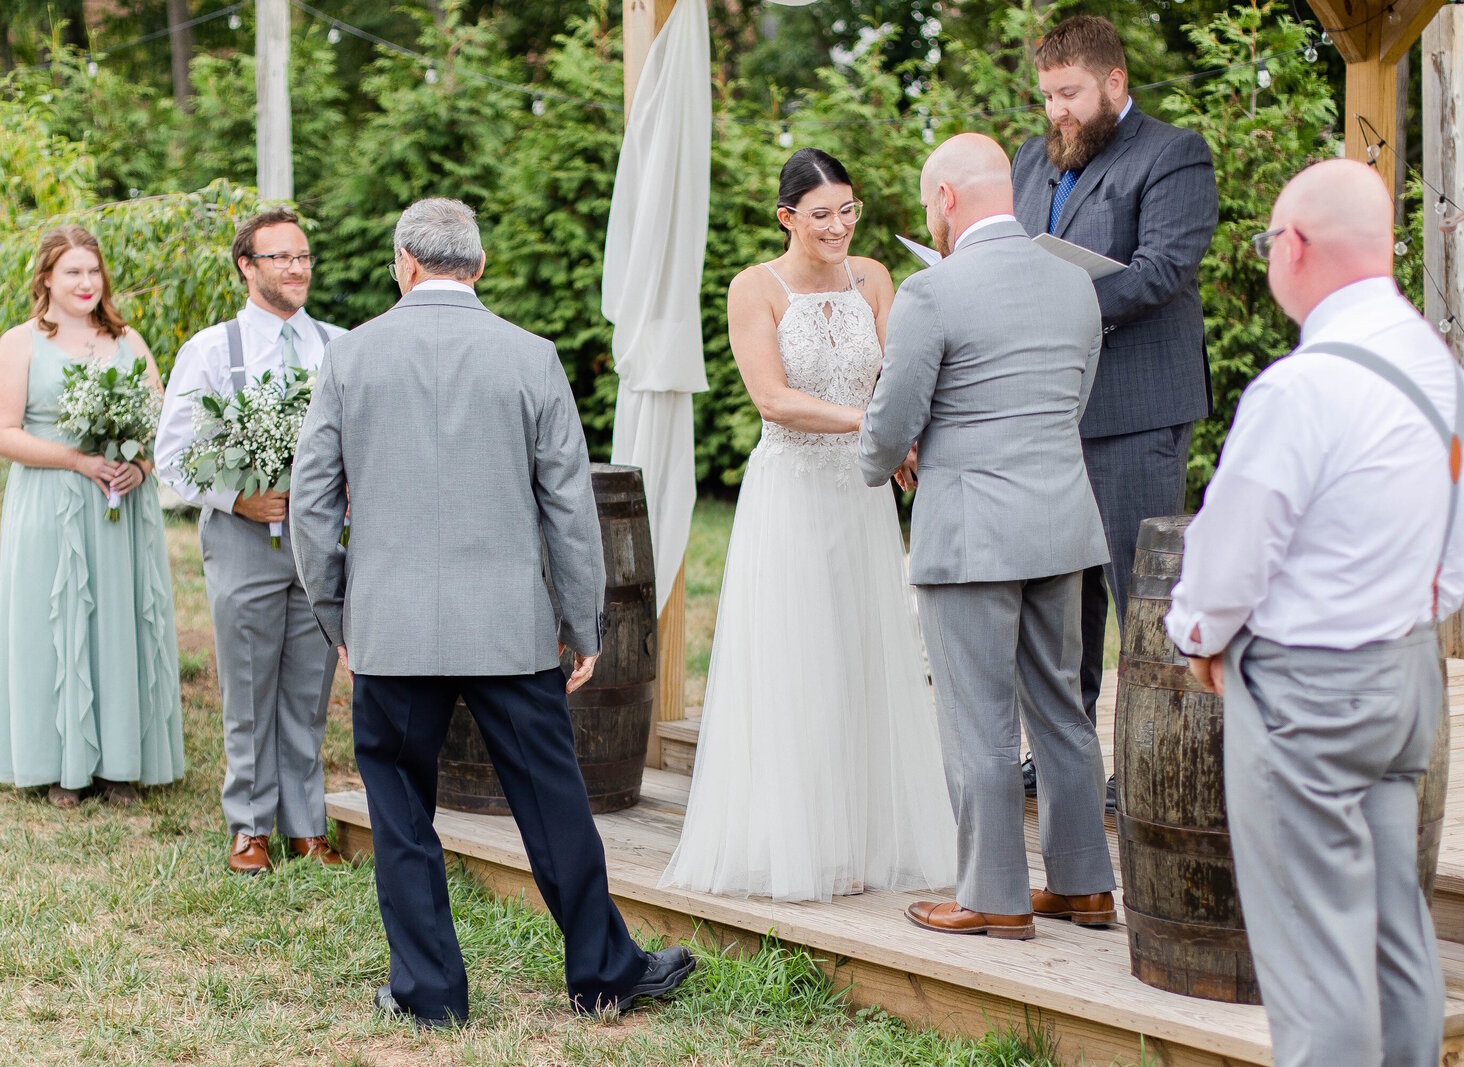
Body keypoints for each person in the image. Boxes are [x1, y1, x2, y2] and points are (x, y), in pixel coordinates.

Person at [289, 198, 694, 1026]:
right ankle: (605, 975)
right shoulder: (530, 356)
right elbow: (570, 511)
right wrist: (582, 625)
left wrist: (342, 619)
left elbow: (308, 506)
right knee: (554, 802)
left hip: (392, 631)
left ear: (404, 261)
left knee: (400, 813)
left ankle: (430, 993)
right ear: (479, 265)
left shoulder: (351, 357)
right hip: (510, 629)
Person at [1165, 158, 1464, 1066]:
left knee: (1317, 970)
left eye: (1271, 240)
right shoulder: (1447, 379)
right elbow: (1453, 569)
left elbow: (1230, 553)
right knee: (1396, 946)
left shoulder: (1300, 390)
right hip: (1409, 677)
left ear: (1296, 247)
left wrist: (1198, 634)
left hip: (1308, 691)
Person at [659, 148, 957, 903]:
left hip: (861, 499)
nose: (838, 226)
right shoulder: (754, 288)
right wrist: (876, 426)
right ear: (788, 216)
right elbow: (773, 399)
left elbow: (900, 372)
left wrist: (901, 435)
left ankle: (859, 838)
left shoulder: (876, 280)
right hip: (791, 491)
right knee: (801, 657)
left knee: (862, 653)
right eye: (821, 213)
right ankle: (799, 841)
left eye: (848, 210)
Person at [861, 133, 1116, 939]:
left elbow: (894, 418)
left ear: (944, 200)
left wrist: (891, 457)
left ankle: (996, 895)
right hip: (1062, 522)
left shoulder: (931, 292)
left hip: (971, 530)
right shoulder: (1076, 286)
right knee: (1063, 712)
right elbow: (1073, 399)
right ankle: (1085, 885)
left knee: (978, 717)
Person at [1012, 14, 1219, 808]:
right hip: (1051, 411)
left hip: (1135, 409)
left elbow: (1163, 269)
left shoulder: (1173, 154)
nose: (1056, 110)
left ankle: (1152, 762)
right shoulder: (1036, 158)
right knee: (1063, 601)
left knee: (1143, 598)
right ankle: (1064, 758)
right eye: (1048, 95)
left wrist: (1055, 302)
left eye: (1069, 93)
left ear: (1115, 83)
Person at [155, 207, 345, 874]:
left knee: (309, 688)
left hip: (320, 546)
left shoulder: (339, 345)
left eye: (304, 257)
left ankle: (306, 826)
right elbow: (172, 456)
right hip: (244, 539)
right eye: (281, 258)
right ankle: (248, 826)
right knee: (248, 687)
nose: (298, 268)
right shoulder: (210, 350)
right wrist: (237, 497)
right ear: (247, 266)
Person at [0, 225, 184, 808]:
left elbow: (162, 425)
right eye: (72, 271)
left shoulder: (129, 340)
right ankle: (60, 766)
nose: (85, 282)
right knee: (55, 625)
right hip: (51, 501)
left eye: (93, 271)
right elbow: (4, 434)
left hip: (120, 508)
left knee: (120, 622)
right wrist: (78, 462)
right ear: (46, 277)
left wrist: (143, 466)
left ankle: (121, 763)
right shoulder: (21, 341)